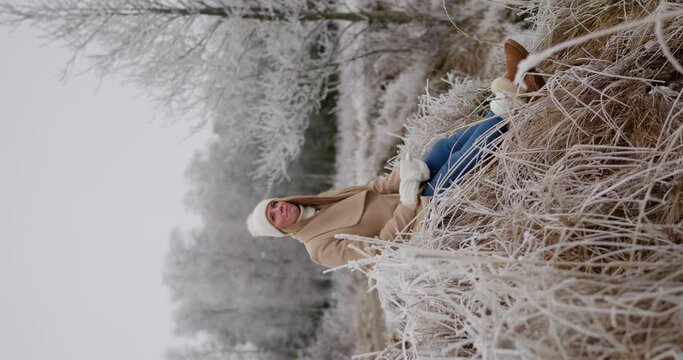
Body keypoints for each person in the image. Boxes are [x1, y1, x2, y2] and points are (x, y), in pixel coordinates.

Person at [246, 39, 545, 268]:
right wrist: (406, 202)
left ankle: (511, 98)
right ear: (279, 230)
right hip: (421, 215)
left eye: (273, 205)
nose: (278, 209)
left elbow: (372, 189)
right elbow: (380, 249)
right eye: (273, 217)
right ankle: (516, 98)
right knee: (456, 164)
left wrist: (404, 174)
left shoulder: (322, 200)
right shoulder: (319, 249)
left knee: (441, 149)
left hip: (412, 189)